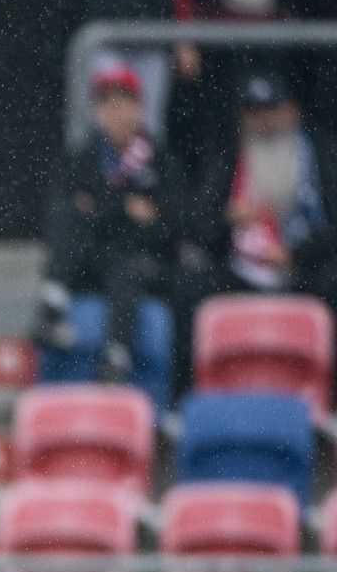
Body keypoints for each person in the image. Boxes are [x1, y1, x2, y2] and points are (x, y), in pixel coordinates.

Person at [174, 73, 337, 390]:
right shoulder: (228, 156)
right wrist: (226, 219)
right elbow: (194, 225)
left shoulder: (322, 153)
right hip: (241, 271)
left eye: (269, 110)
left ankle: (331, 402)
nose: (262, 121)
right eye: (252, 112)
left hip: (305, 270)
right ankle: (185, 400)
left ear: (291, 111)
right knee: (188, 286)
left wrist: (296, 255)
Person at [35, 61, 181, 392]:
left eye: (123, 102)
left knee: (127, 267)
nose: (115, 112)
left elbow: (168, 228)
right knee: (67, 219)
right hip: (88, 260)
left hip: (139, 262)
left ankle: (115, 359)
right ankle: (52, 304)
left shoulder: (161, 161)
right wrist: (125, 208)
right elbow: (62, 215)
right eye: (106, 103)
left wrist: (100, 208)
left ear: (139, 107)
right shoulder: (80, 157)